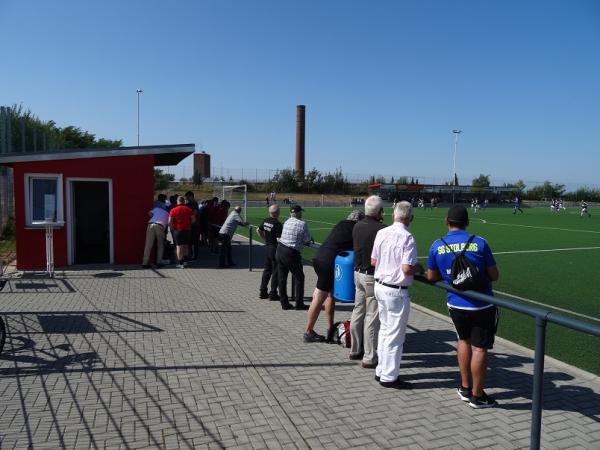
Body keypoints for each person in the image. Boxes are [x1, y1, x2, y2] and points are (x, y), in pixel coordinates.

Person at [426, 205, 500, 409]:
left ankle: (465, 387)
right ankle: (477, 396)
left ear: (447, 222)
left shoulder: (436, 245)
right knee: (480, 347)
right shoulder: (480, 242)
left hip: (455, 303)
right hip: (482, 304)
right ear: (467, 222)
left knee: (463, 340)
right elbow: (494, 275)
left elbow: (431, 277)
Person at [371, 201, 422, 389]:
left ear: (394, 215)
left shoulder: (381, 232)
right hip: (395, 290)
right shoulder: (407, 237)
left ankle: (381, 370)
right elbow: (407, 268)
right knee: (395, 336)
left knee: (385, 331)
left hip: (380, 286)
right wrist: (419, 267)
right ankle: (389, 377)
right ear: (410, 218)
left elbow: (373, 261)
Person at [304, 210, 364, 343]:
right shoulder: (355, 229)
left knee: (329, 295)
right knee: (319, 298)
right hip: (328, 263)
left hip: (319, 258)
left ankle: (330, 328)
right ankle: (308, 332)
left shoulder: (341, 223)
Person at [349, 196, 386, 368]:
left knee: (358, 310)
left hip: (358, 272)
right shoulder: (381, 229)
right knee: (371, 316)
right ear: (379, 212)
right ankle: (370, 356)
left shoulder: (357, 225)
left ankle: (355, 349)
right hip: (371, 275)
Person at [276, 205, 312, 311]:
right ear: (299, 213)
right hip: (291, 253)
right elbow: (307, 240)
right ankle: (299, 303)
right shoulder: (302, 224)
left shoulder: (287, 221)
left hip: (280, 249)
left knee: (282, 278)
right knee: (299, 277)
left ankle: (284, 303)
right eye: (301, 212)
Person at [258, 204, 283, 300]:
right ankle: (273, 293)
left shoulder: (265, 221)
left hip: (268, 247)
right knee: (276, 271)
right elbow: (279, 239)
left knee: (267, 270)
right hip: (275, 249)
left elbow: (258, 230)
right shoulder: (277, 224)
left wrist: (265, 239)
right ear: (276, 213)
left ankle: (263, 291)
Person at [142, 194, 169, 268]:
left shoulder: (156, 209)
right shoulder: (167, 213)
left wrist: (153, 217)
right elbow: (167, 224)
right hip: (160, 226)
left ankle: (145, 263)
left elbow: (149, 213)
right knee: (160, 245)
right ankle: (159, 262)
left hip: (150, 224)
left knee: (148, 244)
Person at [168, 196, 195, 268]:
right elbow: (193, 220)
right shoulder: (189, 209)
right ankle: (186, 262)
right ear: (184, 201)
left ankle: (180, 263)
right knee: (186, 245)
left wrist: (172, 229)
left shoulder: (173, 210)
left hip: (178, 230)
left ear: (177, 201)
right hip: (187, 230)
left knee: (179, 247)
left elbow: (170, 221)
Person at [218, 203, 248, 268]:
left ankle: (230, 262)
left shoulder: (232, 212)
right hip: (225, 234)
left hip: (224, 233)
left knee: (228, 249)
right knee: (224, 250)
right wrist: (247, 224)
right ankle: (221, 264)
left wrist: (244, 224)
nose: (240, 212)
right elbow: (242, 223)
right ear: (239, 211)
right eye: (240, 211)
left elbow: (239, 223)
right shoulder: (236, 214)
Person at [185, 191, 201, 260]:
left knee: (194, 242)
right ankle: (191, 255)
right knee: (190, 241)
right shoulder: (192, 204)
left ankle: (194, 256)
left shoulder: (193, 204)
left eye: (187, 197)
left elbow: (194, 213)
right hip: (192, 225)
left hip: (194, 226)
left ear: (191, 196)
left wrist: (190, 220)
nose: (186, 198)